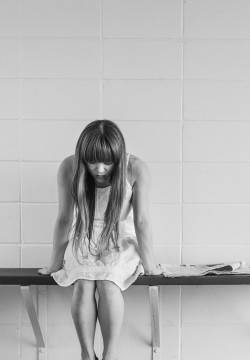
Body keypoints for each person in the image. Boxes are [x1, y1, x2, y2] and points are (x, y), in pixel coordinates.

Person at [38, 119, 163, 360]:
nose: (100, 169)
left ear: (119, 157)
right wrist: (53, 264)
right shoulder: (68, 167)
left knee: (108, 282)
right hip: (83, 235)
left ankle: (110, 355)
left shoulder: (136, 169)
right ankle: (86, 353)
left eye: (108, 162)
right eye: (93, 161)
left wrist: (150, 266)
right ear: (82, 157)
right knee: (84, 282)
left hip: (120, 239)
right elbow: (64, 219)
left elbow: (142, 222)